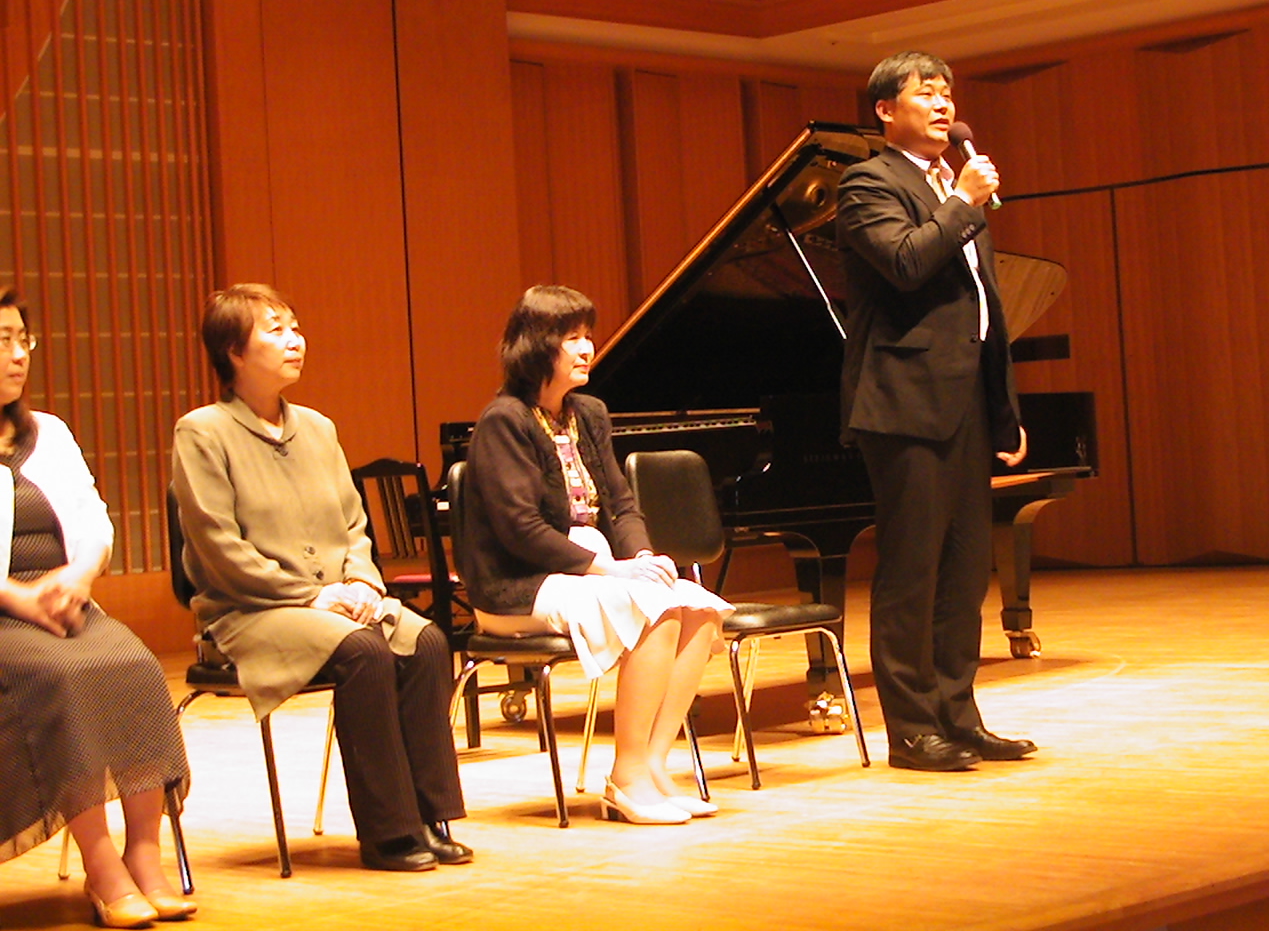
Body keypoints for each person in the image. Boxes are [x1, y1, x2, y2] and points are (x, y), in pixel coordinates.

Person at [171, 284, 470, 872]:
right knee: (365, 651)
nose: (295, 341)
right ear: (234, 351)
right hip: (251, 611)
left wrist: (362, 582)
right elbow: (217, 547)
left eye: (296, 327)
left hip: (336, 601)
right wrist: (312, 595)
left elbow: (354, 524)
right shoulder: (201, 431)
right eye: (276, 330)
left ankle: (429, 816)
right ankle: (388, 832)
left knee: (428, 642)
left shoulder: (318, 428)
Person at [457, 285, 728, 825]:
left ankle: (653, 766)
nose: (587, 349)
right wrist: (613, 569)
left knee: (699, 609)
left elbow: (621, 506)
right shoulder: (504, 420)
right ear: (537, 345)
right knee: (657, 611)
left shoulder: (590, 413)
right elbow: (521, 530)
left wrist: (642, 557)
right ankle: (625, 777)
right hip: (518, 584)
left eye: (588, 336)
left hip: (586, 574)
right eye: (572, 338)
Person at [836, 50, 1037, 772]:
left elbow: (987, 311)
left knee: (964, 570)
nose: (944, 103)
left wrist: (1004, 408)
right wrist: (963, 204)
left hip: (965, 403)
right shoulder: (868, 183)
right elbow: (905, 263)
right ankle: (912, 730)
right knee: (913, 570)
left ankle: (959, 716)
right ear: (886, 110)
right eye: (926, 92)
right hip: (904, 404)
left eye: (948, 92)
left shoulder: (954, 186)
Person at [0, 290, 195, 928]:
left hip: (65, 594)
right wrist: (21, 597)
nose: (17, 355)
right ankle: (102, 864)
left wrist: (80, 576)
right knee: (64, 676)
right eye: (1, 341)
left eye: (22, 340)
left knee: (134, 665)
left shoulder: (49, 432)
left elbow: (94, 520)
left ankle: (146, 853)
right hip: (5, 611)